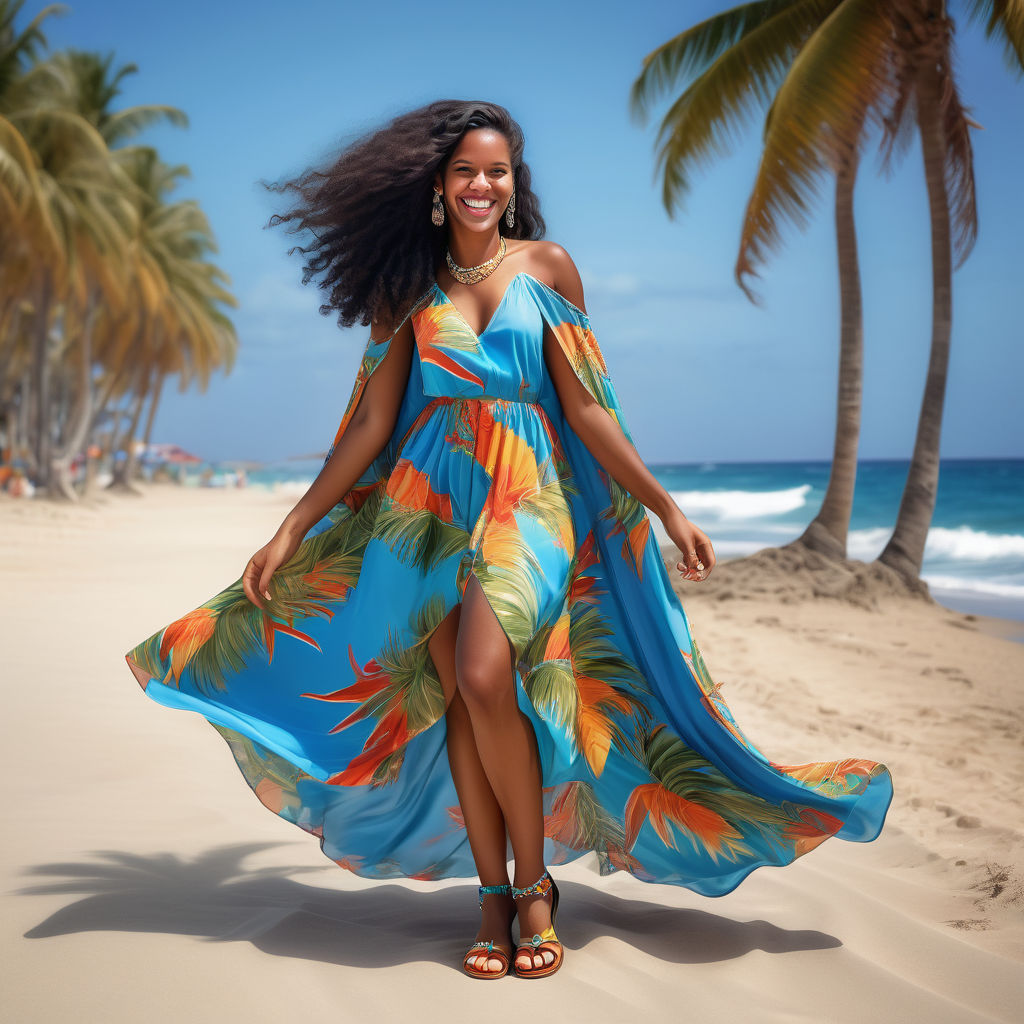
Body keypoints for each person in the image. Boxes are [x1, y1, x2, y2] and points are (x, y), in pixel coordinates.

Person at [124, 100, 893, 981]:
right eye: (466, 172)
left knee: (489, 673)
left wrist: (665, 506)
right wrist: (293, 525)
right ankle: (492, 896)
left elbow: (588, 409)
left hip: (531, 496)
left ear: (513, 184)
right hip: (426, 503)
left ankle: (535, 889)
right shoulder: (405, 287)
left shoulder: (549, 268)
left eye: (498, 171)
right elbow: (374, 421)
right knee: (460, 696)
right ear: (437, 188)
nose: (483, 185)